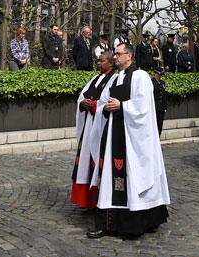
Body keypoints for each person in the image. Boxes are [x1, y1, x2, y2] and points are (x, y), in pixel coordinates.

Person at [88, 43, 170, 239]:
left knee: (133, 177)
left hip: (132, 139)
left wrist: (122, 106)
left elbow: (143, 107)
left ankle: (139, 223)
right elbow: (102, 101)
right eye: (114, 54)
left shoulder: (140, 76)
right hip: (114, 135)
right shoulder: (115, 78)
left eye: (118, 54)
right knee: (110, 179)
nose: (115, 57)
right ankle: (108, 224)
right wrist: (105, 107)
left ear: (129, 56)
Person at [71, 51, 116, 209]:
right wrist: (83, 103)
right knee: (85, 160)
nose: (98, 63)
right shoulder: (95, 78)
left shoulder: (114, 79)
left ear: (111, 62)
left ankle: (99, 200)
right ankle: (86, 200)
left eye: (101, 61)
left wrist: (96, 105)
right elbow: (82, 96)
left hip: (101, 125)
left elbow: (110, 101)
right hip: (89, 122)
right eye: (97, 61)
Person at [150, 68, 167, 135]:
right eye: (159, 75)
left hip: (161, 107)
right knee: (154, 124)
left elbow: (164, 95)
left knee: (160, 124)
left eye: (160, 75)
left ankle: (158, 138)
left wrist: (165, 107)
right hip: (154, 107)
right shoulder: (151, 82)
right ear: (155, 74)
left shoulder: (163, 83)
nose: (160, 76)